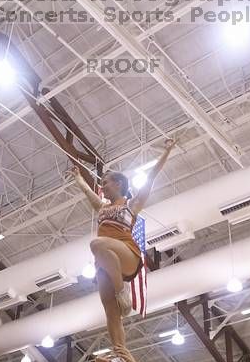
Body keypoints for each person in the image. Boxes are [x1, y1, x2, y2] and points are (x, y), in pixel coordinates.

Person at [71, 139, 175, 349]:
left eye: (105, 182)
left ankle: (122, 290)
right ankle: (119, 352)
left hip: (126, 254)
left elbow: (152, 176)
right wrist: (78, 177)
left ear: (118, 184)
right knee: (111, 312)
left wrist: (167, 151)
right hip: (105, 263)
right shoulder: (101, 207)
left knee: (97, 244)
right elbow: (86, 191)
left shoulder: (132, 204)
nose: (102, 186)